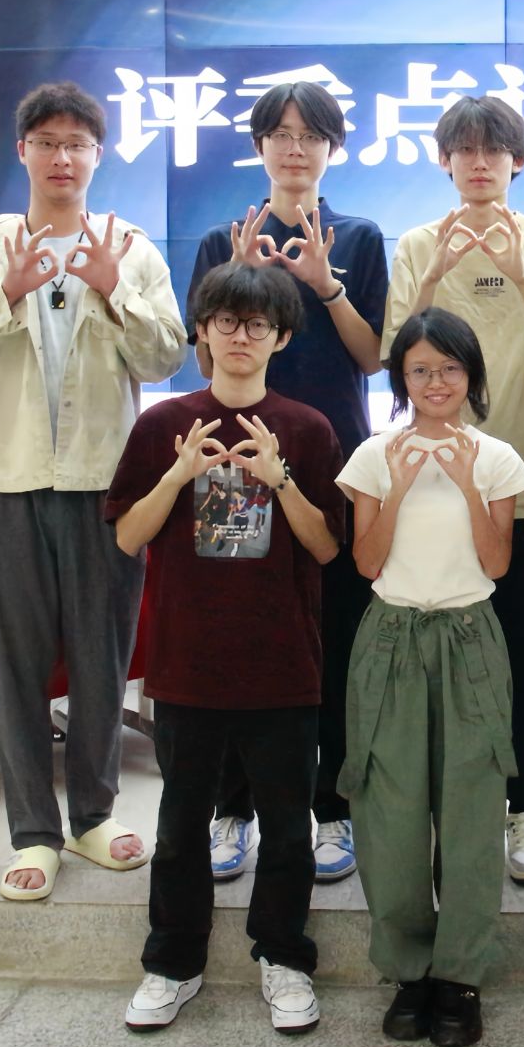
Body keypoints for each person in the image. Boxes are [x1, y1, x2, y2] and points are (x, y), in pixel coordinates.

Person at [0, 80, 186, 902]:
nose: (62, 157)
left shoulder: (131, 249)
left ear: (98, 155)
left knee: (104, 661)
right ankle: (32, 830)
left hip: (105, 486)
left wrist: (115, 288)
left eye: (77, 143)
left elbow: (166, 357)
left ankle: (94, 816)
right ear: (23, 152)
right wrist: (3, 294)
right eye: (47, 142)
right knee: (15, 667)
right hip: (6, 484)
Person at [107, 261, 342, 1033]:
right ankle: (172, 963)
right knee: (179, 829)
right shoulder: (162, 425)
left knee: (288, 829)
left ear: (281, 337)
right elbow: (129, 535)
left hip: (283, 664)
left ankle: (284, 958)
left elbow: (326, 546)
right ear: (202, 331)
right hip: (188, 665)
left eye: (258, 323)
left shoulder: (307, 429)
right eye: (226, 321)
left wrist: (280, 479)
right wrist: (178, 475)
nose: (242, 335)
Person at [381, 95, 524, 884]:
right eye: (463, 150)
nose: (478, 162)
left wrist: (522, 276)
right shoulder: (416, 243)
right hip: (429, 483)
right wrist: (436, 273)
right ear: (444, 161)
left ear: (517, 160)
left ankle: (522, 805)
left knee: (519, 654)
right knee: (433, 656)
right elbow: (395, 355)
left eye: (493, 149)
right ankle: (442, 804)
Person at [186, 80, 386, 889]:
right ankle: (231, 808)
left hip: (335, 459)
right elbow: (204, 358)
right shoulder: (221, 239)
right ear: (260, 145)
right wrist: (238, 280)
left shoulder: (359, 236)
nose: (295, 147)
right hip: (233, 458)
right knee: (240, 632)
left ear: (333, 147)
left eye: (311, 134)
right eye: (281, 132)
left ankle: (333, 807)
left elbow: (373, 356)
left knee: (333, 636)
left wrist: (325, 283)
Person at [334, 307, 524, 1047]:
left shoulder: (496, 456)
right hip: (390, 635)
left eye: (450, 368)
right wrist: (397, 486)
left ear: (470, 375)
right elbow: (365, 562)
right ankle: (409, 972)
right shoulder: (372, 454)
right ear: (401, 379)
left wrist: (466, 484)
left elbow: (498, 563)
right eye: (420, 370)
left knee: (472, 810)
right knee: (389, 810)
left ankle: (460, 976)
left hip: (469, 636)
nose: (436, 382)